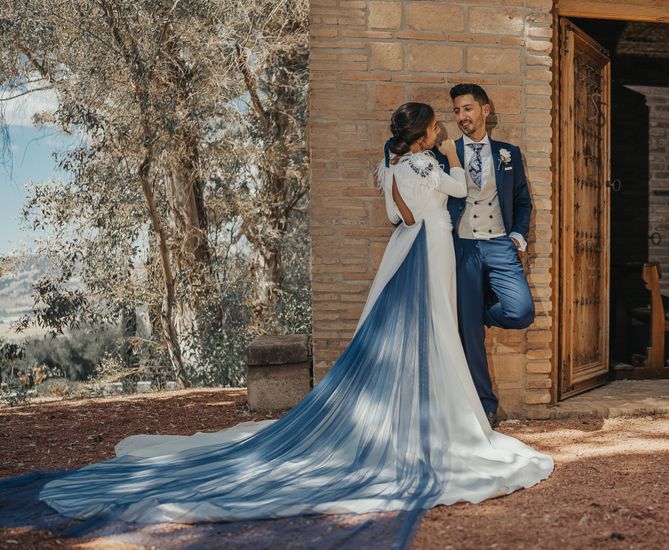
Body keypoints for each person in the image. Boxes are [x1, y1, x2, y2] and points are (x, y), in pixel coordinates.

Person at [33, 102, 553, 528]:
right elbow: (458, 193)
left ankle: (413, 412)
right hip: (433, 245)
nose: (443, 130)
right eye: (436, 126)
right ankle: (438, 420)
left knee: (418, 327)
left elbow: (400, 216)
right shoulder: (428, 163)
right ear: (423, 135)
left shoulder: (392, 167)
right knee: (434, 326)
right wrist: (450, 158)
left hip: (411, 245)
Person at [436, 84, 535, 429]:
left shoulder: (509, 153)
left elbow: (522, 201)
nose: (462, 117)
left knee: (521, 311)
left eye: (467, 109)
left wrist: (518, 237)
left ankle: (475, 311)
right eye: (457, 111)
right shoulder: (444, 154)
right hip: (462, 245)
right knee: (470, 336)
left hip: (499, 244)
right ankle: (484, 405)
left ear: (485, 110)